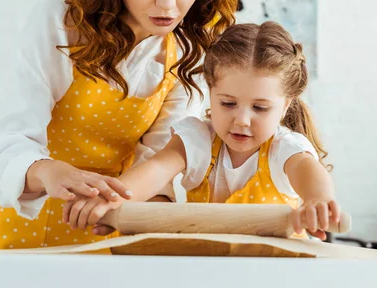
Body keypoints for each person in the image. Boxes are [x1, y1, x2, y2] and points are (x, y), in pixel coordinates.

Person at [0, 0, 238, 249]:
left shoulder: (186, 52)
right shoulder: (61, 23)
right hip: (23, 226)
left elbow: (158, 162)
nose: (168, 2)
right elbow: (6, 144)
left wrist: (122, 201)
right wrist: (51, 172)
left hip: (108, 227)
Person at [64, 22, 340, 240]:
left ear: (285, 106)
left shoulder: (284, 149)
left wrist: (318, 200)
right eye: (228, 103)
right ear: (211, 92)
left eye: (260, 108)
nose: (242, 120)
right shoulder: (198, 139)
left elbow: (308, 172)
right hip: (212, 268)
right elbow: (156, 169)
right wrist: (109, 200)